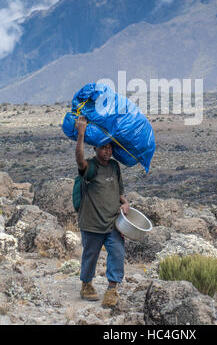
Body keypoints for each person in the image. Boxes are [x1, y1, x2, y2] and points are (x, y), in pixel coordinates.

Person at [75, 115, 130, 307]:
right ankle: (86, 284)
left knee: (117, 252)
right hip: (91, 222)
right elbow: (80, 161)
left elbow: (119, 191)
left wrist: (125, 203)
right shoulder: (90, 167)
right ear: (95, 149)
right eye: (103, 147)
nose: (107, 151)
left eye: (109, 147)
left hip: (113, 222)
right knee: (90, 255)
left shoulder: (114, 166)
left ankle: (112, 289)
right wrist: (81, 134)